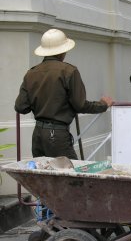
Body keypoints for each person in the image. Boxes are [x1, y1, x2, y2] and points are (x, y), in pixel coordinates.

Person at [15, 28, 113, 160]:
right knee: (72, 178)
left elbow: (21, 107)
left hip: (38, 135)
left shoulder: (31, 73)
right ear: (62, 51)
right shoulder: (69, 71)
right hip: (57, 135)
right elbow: (80, 105)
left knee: (44, 177)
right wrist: (103, 105)